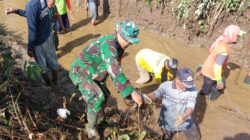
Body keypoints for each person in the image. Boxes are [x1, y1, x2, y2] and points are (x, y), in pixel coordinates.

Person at [69, 20, 143, 139]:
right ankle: (90, 128)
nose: (130, 43)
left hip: (94, 73)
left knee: (105, 94)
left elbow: (115, 70)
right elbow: (114, 70)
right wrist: (132, 92)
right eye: (128, 40)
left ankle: (99, 119)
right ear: (120, 34)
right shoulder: (108, 44)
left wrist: (127, 92)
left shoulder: (119, 47)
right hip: (80, 72)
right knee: (97, 97)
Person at [5, 0, 59, 87]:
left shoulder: (30, 5)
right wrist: (16, 11)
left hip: (39, 44)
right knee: (54, 63)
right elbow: (33, 14)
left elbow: (32, 32)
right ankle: (55, 83)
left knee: (42, 68)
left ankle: (49, 86)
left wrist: (30, 48)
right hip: (48, 37)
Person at [146, 68, 200, 140]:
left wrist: (185, 116)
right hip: (167, 121)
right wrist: (147, 97)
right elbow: (157, 93)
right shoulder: (166, 86)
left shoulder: (193, 89)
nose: (187, 87)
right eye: (185, 85)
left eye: (189, 84)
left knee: (196, 137)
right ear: (177, 80)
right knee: (166, 138)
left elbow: (191, 106)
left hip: (185, 120)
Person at [200, 25, 246, 100]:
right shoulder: (224, 51)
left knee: (212, 83)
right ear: (232, 36)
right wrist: (219, 81)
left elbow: (211, 51)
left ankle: (204, 76)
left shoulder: (221, 39)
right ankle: (204, 95)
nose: (239, 38)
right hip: (211, 72)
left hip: (207, 65)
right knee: (207, 89)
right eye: (237, 36)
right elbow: (217, 67)